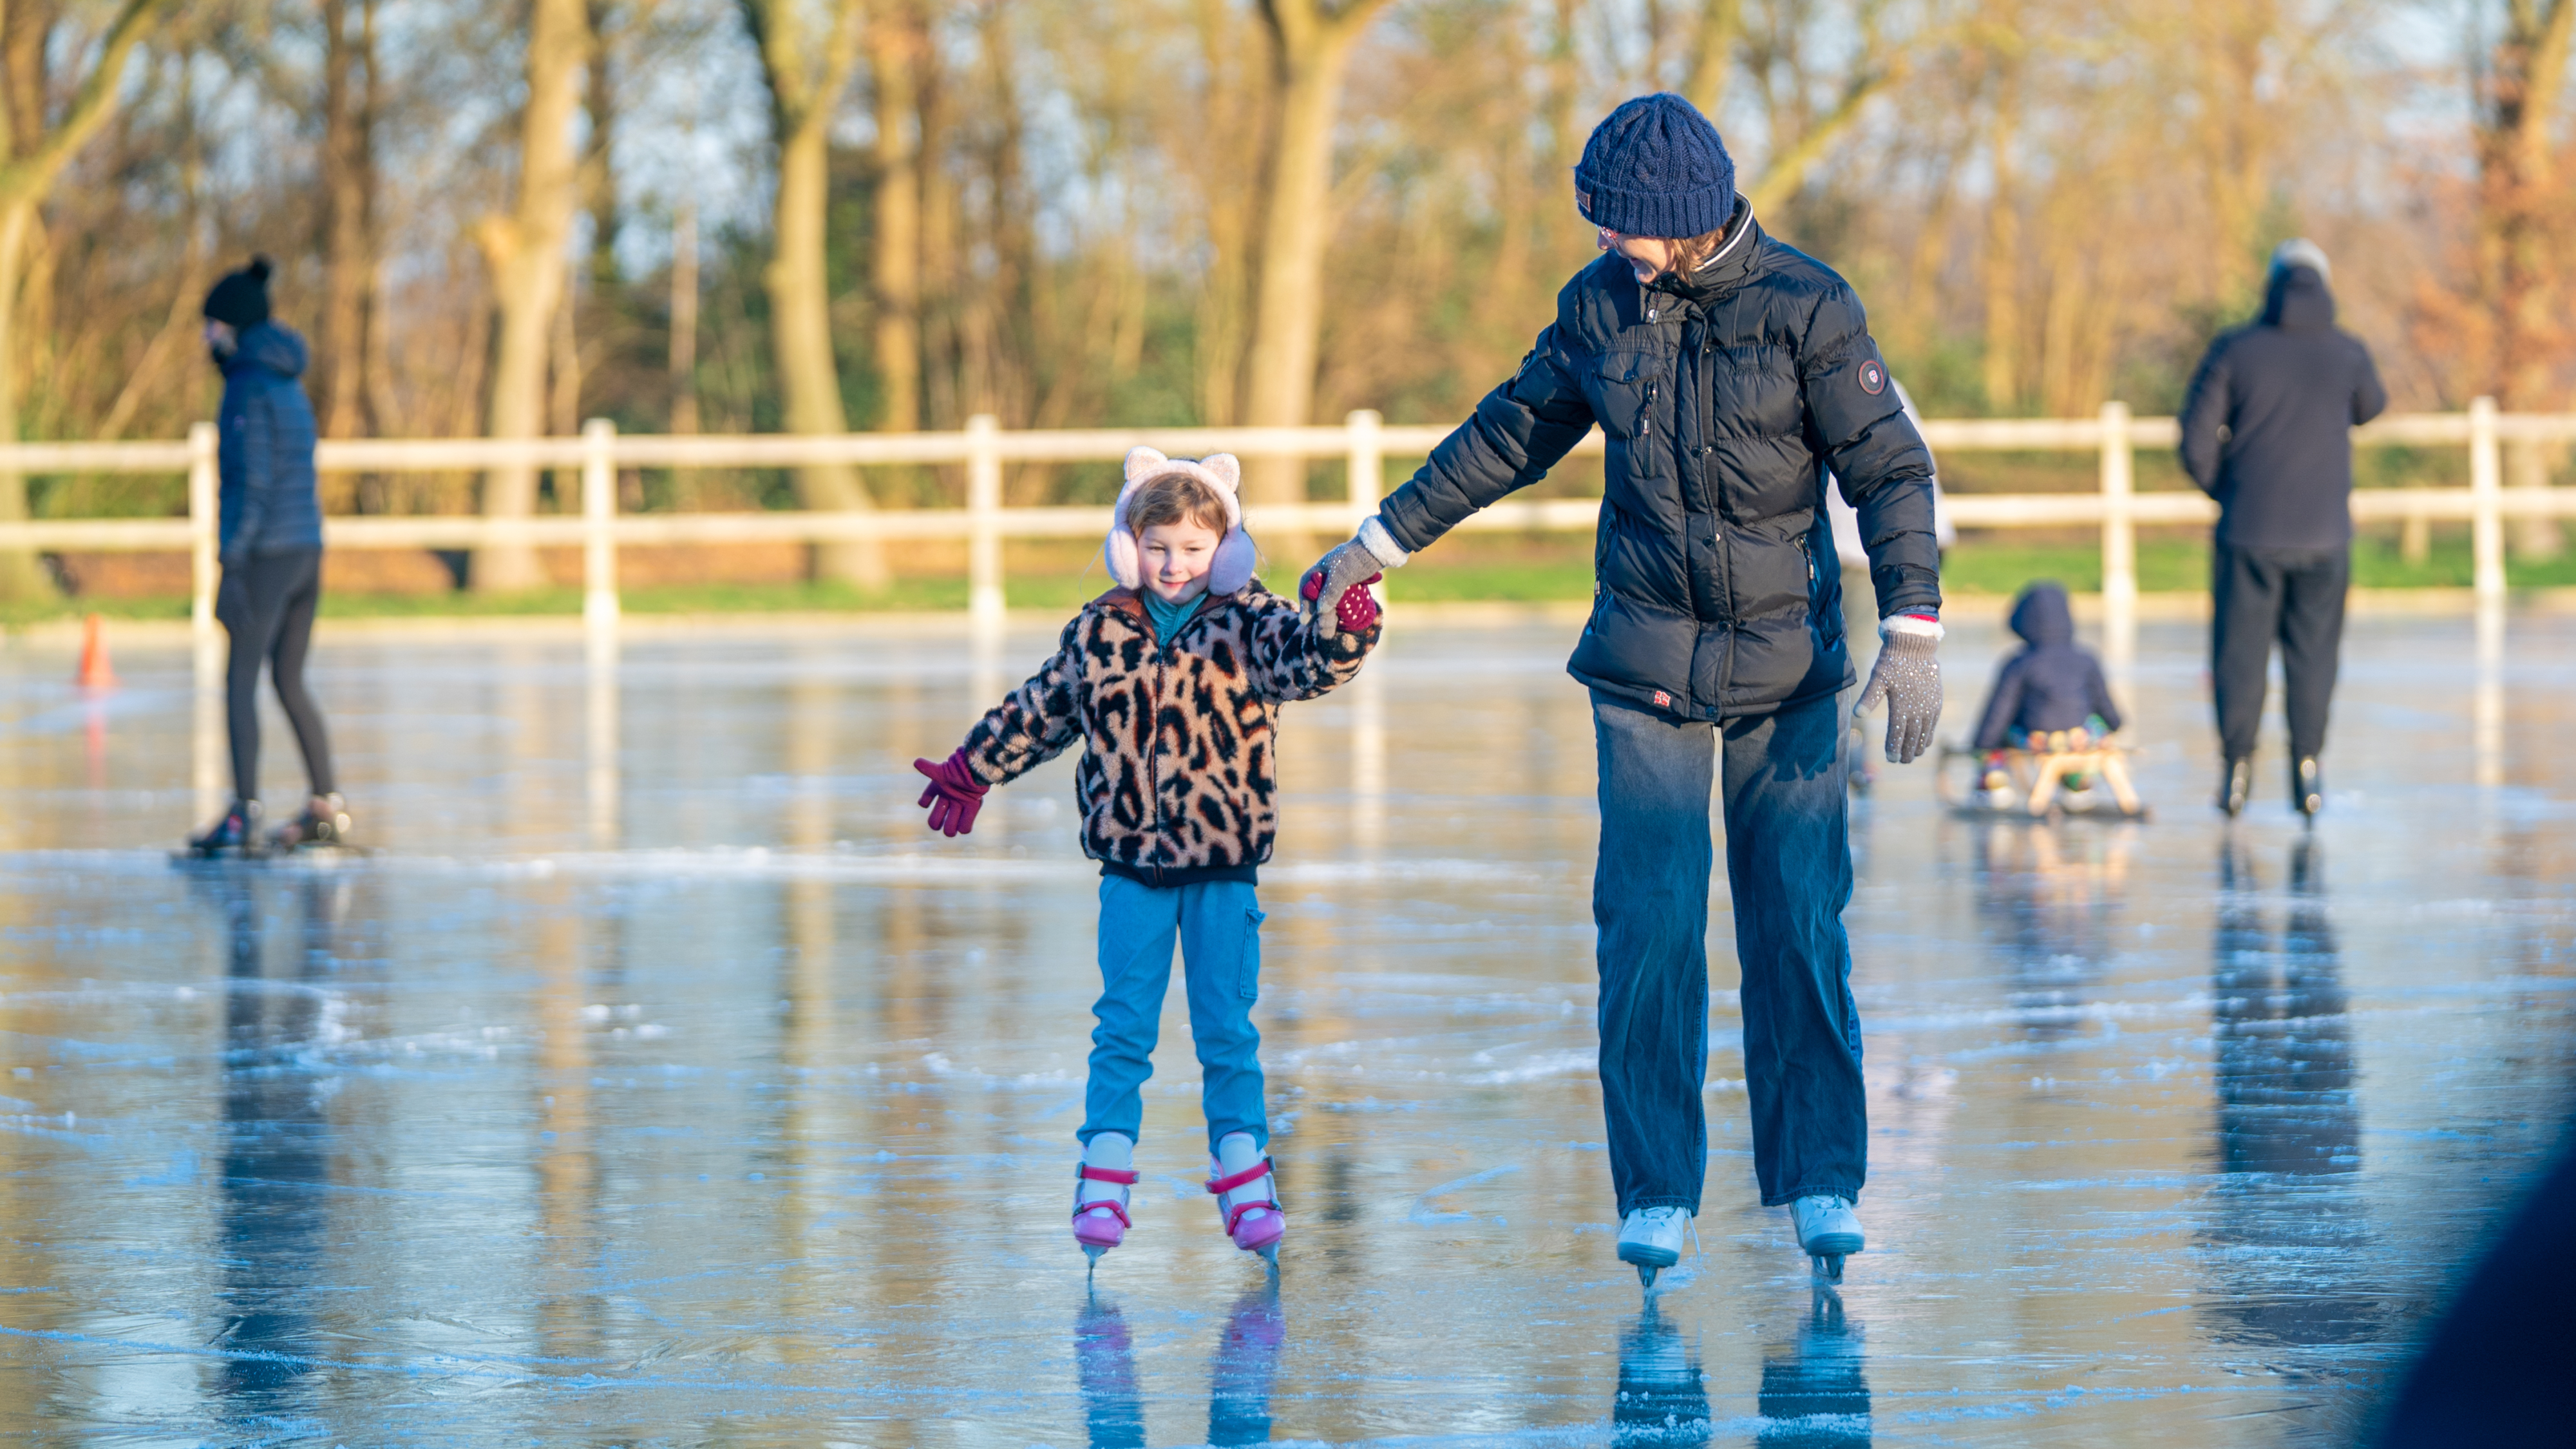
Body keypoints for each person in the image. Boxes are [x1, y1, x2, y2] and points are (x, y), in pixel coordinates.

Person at [1298, 93, 1944, 1287]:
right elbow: (1506, 435)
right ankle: (1656, 1190)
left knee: (1794, 924)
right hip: (1645, 661)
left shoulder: (1809, 304)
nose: (1598, 238)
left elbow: (1890, 470)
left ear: (1678, 221)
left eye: (1615, 222)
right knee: (1646, 928)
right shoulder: (1597, 310)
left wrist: (1912, 628)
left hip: (1787, 669)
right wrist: (1377, 544)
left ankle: (1820, 1177)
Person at [910, 448, 1381, 1267]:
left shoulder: (1252, 621)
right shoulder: (1099, 630)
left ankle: (1244, 1171)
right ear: (1128, 545)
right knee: (1121, 1027)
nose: (1174, 565)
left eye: (1193, 550)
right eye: (1157, 547)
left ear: (1225, 551)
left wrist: (1345, 628)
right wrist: (972, 766)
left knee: (1226, 1030)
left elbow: (1311, 665)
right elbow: (1041, 710)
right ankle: (1104, 1169)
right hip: (1129, 869)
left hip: (1223, 868)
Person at [2179, 238, 2387, 819]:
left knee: (2239, 655)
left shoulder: (2234, 350)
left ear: (2270, 286)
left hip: (2248, 531)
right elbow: (2372, 406)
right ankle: (2308, 768)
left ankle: (2236, 771)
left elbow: (2195, 440)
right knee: (2314, 656)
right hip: (2325, 533)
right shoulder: (2347, 352)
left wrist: (2230, 492)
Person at [187, 258, 352, 857]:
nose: (206, 339)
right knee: (288, 678)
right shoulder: (287, 380)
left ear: (231, 327)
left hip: (268, 552)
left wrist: (232, 564)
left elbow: (248, 483)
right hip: (306, 549)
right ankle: (325, 806)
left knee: (240, 680)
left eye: (211, 327)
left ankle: (243, 814)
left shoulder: (246, 387)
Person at [1970, 580, 2122, 753]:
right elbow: (2107, 709)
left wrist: (1981, 745)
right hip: (2078, 739)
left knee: (2003, 732)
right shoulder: (2087, 658)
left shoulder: (2018, 663)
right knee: (2094, 725)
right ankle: (2078, 778)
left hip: (2038, 740)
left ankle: (1995, 776)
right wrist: (2115, 725)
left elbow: (1997, 714)